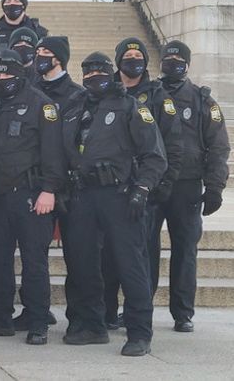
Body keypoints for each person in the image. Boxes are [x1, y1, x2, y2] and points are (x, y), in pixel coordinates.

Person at [60, 52, 166, 357]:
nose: (94, 75)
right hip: (82, 197)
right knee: (82, 264)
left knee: (130, 265)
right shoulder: (74, 108)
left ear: (113, 73)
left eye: (101, 70)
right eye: (88, 70)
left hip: (119, 197)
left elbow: (155, 156)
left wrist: (142, 189)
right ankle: (92, 325)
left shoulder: (131, 106)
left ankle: (139, 332)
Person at [0, 49, 66, 346]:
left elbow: (54, 152)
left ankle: (38, 321)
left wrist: (49, 189)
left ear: (20, 74)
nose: (1, 79)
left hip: (31, 196)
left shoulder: (42, 105)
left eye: (7, 74)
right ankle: (0, 318)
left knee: (34, 262)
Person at [102, 37, 184, 330]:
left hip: (144, 190)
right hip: (110, 189)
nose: (133, 59)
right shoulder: (104, 91)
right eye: (128, 54)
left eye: (138, 55)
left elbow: (172, 146)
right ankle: (107, 311)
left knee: (141, 255)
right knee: (106, 253)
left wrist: (159, 186)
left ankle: (139, 313)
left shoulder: (159, 97)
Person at [153, 40, 230, 332]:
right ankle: (141, 306)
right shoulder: (149, 94)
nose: (172, 63)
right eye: (168, 58)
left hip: (186, 186)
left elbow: (218, 147)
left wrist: (214, 187)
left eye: (178, 59)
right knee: (144, 249)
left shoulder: (202, 100)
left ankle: (182, 312)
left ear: (187, 64)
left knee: (185, 250)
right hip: (153, 184)